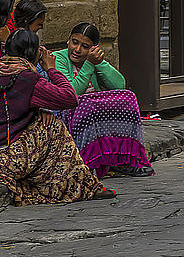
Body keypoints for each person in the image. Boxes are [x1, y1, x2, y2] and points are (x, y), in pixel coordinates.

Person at [0, 30, 115, 205]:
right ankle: (77, 185)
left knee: (44, 119)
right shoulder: (27, 78)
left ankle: (60, 180)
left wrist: (40, 110)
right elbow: (70, 98)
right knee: (54, 126)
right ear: (33, 54)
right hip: (1, 161)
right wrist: (51, 69)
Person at [54, 23, 152, 180]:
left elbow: (119, 85)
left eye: (85, 46)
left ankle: (123, 161)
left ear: (94, 48)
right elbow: (71, 93)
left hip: (94, 114)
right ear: (68, 41)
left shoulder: (93, 61)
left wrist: (99, 62)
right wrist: (89, 64)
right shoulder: (58, 58)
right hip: (69, 113)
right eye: (74, 42)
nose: (77, 49)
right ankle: (90, 162)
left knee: (128, 97)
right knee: (85, 103)